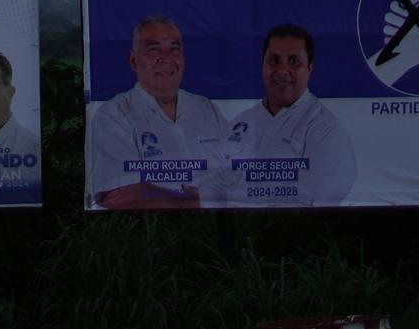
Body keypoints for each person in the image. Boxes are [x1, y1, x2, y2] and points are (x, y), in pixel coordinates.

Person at [210, 23, 358, 206]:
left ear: (310, 67)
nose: (282, 70)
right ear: (262, 64)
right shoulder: (240, 122)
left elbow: (318, 200)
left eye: (294, 61)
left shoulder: (326, 128)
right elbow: (215, 185)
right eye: (274, 60)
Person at [87, 14, 226, 209]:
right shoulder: (113, 115)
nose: (166, 58)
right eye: (153, 50)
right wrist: (196, 201)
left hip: (217, 229)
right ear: (134, 61)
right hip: (151, 231)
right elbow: (117, 194)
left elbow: (235, 173)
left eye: (174, 49)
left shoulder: (206, 108)